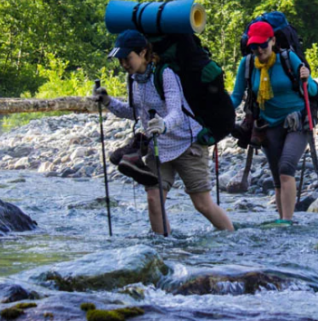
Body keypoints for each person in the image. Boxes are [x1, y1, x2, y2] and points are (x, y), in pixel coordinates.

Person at [93, 29, 234, 234]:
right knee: (154, 200)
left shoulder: (165, 73)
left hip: (187, 143)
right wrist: (108, 102)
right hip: (158, 147)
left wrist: (163, 125)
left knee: (202, 204)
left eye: (127, 58)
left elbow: (176, 112)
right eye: (120, 60)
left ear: (142, 53)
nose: (123, 64)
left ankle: (231, 238)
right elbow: (134, 112)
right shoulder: (133, 79)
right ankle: (162, 250)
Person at [230, 21, 318, 224]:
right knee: (278, 177)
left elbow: (311, 91)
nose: (259, 50)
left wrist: (307, 78)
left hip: (296, 121)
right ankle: (282, 222)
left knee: (286, 167)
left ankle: (287, 221)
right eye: (254, 46)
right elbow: (236, 96)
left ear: (273, 41)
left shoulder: (288, 58)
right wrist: (220, 113)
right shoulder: (248, 64)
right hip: (267, 125)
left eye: (263, 45)